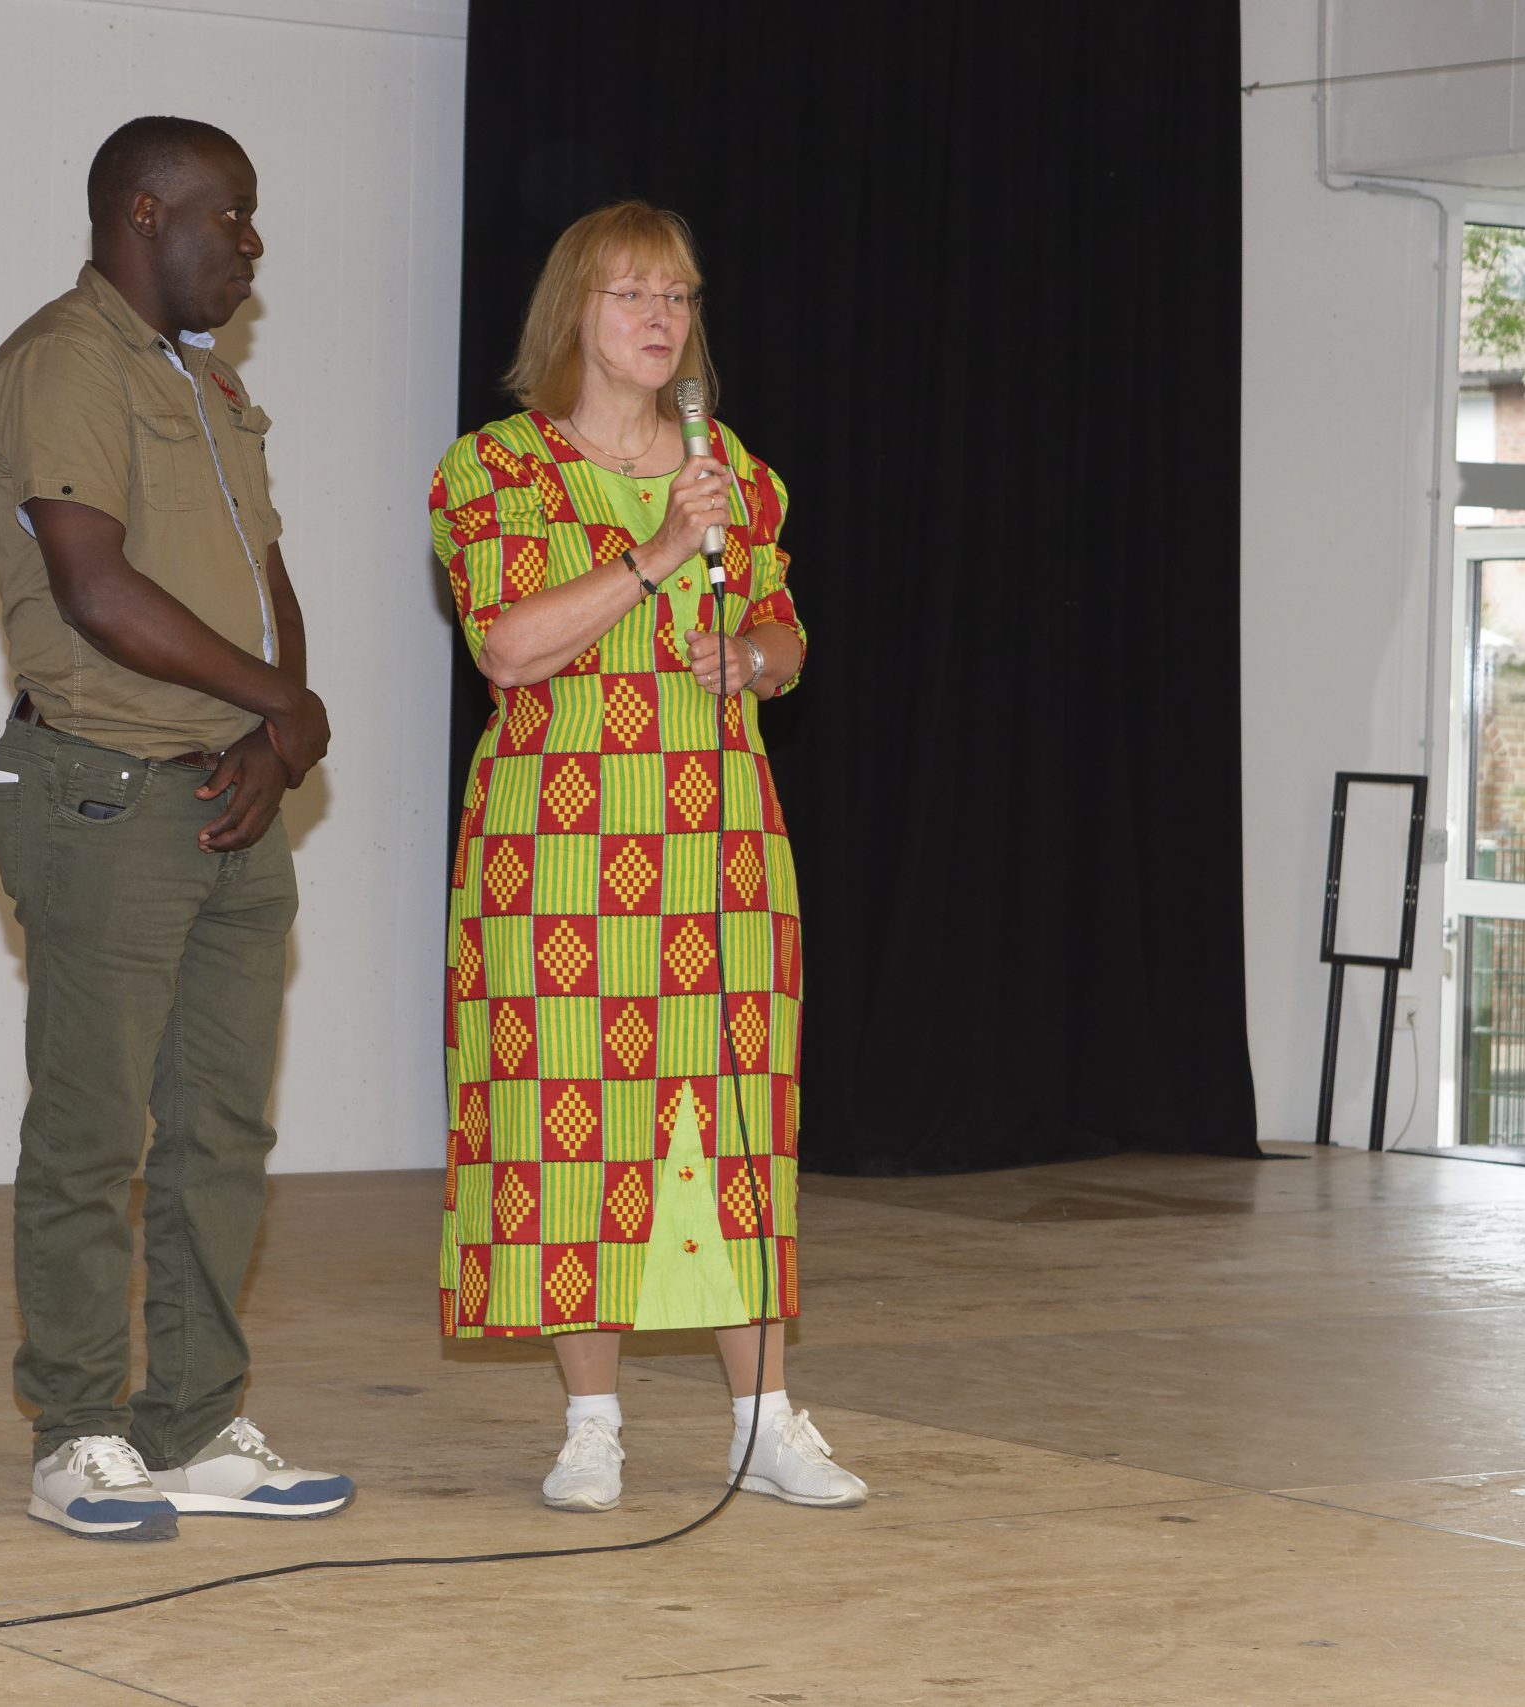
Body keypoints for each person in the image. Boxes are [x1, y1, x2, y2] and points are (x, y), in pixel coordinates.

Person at [429, 201, 866, 1513]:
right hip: (558, 850)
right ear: (573, 312)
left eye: (678, 296)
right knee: (570, 1120)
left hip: (717, 848)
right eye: (631, 295)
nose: (661, 318)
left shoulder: (737, 472)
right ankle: (591, 1427)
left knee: (733, 1124)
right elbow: (509, 647)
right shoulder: (495, 470)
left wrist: (754, 658)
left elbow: (787, 636)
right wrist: (662, 550)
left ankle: (765, 1422)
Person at [0, 115, 349, 1543]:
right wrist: (286, 705)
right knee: (92, 1133)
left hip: (228, 789)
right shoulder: (63, 362)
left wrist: (274, 733)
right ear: (145, 212)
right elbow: (94, 586)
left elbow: (266, 576)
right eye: (230, 215)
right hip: (106, 789)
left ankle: (190, 1425)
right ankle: (76, 1433)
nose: (252, 244)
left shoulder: (206, 383)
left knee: (221, 1132)